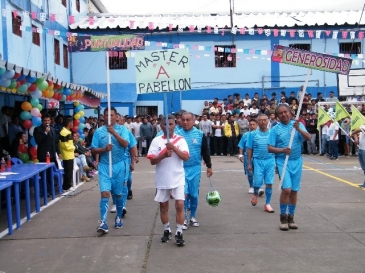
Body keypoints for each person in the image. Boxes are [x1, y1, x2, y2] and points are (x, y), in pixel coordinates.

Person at [147, 115, 189, 246]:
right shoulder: (156, 141)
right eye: (165, 124)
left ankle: (179, 232)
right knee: (163, 206)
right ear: (161, 126)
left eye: (171, 124)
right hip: (163, 177)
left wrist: (174, 148)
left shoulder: (181, 140)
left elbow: (185, 157)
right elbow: (152, 161)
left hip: (178, 177)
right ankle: (166, 230)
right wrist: (164, 154)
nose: (168, 127)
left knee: (180, 204)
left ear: (175, 125)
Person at [268, 104, 310, 231]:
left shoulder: (297, 125)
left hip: (297, 161)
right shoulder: (275, 129)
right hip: (283, 161)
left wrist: (299, 129)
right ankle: (283, 217)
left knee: (294, 191)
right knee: (286, 189)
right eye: (280, 113)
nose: (283, 114)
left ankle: (291, 217)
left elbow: (308, 138)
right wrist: (282, 150)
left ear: (290, 112)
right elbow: (270, 148)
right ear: (277, 116)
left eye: (285, 112)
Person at [91, 107, 130, 234]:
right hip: (104, 166)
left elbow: (125, 144)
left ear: (116, 116)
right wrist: (104, 149)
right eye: (107, 115)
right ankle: (103, 222)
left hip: (119, 165)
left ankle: (118, 217)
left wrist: (113, 133)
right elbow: (93, 149)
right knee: (105, 193)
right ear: (103, 116)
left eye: (112, 115)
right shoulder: (98, 132)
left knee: (118, 194)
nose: (109, 117)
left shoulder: (123, 129)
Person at [177, 112, 213, 229]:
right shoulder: (177, 135)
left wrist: (209, 166)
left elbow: (205, 151)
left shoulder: (199, 134)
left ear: (193, 121)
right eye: (183, 120)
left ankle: (193, 216)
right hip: (181, 169)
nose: (186, 122)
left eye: (188, 120)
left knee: (193, 194)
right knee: (184, 194)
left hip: (195, 168)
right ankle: (185, 218)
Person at [247, 114, 275, 212]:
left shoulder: (272, 133)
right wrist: (249, 163)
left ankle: (267, 203)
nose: (263, 122)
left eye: (265, 120)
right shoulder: (253, 134)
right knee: (258, 182)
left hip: (270, 160)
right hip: (258, 160)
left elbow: (275, 147)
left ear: (268, 121)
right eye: (261, 120)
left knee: (269, 183)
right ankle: (255, 193)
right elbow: (249, 148)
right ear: (258, 122)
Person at [34, 113, 61, 193]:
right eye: (45, 120)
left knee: (52, 172)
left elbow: (54, 142)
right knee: (45, 175)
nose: (47, 122)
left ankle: (52, 189)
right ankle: (45, 191)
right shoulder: (38, 129)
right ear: (42, 121)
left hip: (52, 155)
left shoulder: (52, 129)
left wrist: (58, 152)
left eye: (48, 120)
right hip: (43, 155)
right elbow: (38, 141)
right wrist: (45, 132)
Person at [238, 119, 258, 193]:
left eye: (253, 124)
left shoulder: (259, 134)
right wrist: (240, 155)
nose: (252, 126)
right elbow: (241, 145)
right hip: (247, 156)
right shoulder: (246, 135)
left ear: (257, 125)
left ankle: (258, 186)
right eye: (251, 125)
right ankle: (251, 186)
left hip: (257, 155)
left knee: (258, 172)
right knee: (249, 172)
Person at [59, 116, 75, 191]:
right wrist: (73, 148)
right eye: (72, 123)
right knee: (67, 171)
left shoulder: (68, 132)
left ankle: (68, 185)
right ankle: (66, 187)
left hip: (70, 155)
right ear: (69, 123)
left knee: (70, 171)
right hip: (66, 155)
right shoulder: (63, 132)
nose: (73, 124)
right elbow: (64, 145)